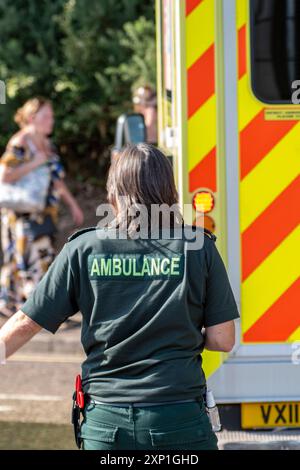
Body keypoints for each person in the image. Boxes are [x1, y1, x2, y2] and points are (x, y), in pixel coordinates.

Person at [0, 143, 239, 450]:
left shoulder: (83, 249)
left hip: (107, 423)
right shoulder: (198, 247)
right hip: (179, 418)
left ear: (113, 194)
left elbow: (24, 323)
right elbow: (223, 340)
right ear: (170, 193)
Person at [0, 97, 84, 318]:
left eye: (52, 116)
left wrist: (73, 205)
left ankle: (32, 309)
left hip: (44, 213)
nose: (51, 121)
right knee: (23, 261)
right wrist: (35, 162)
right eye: (46, 116)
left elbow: (57, 181)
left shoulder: (47, 145)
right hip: (21, 215)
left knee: (43, 258)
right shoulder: (20, 143)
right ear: (31, 118)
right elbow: (5, 175)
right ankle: (23, 309)